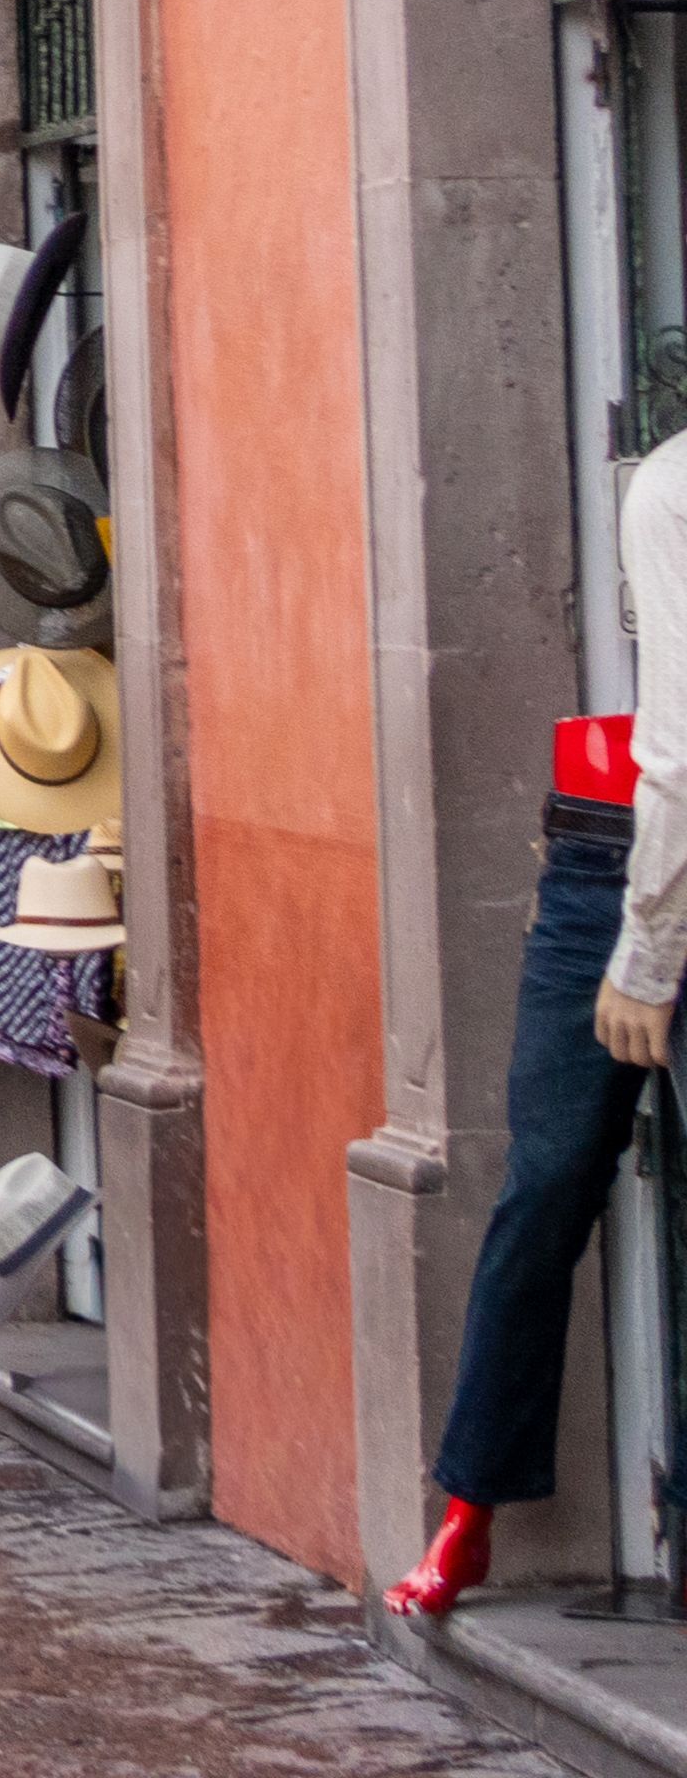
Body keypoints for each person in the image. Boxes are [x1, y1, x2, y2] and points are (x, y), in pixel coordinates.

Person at [401, 421, 687, 1618]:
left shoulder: (669, 488)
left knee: (546, 1185)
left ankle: (468, 1517)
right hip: (611, 849)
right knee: (547, 1182)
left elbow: (681, 749)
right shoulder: (670, 485)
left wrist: (649, 954)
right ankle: (470, 1502)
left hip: (637, 879)